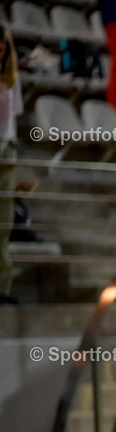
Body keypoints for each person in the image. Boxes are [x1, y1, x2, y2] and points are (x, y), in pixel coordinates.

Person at [0, 23, 22, 306]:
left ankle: (3, 289)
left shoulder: (11, 78)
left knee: (3, 225)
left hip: (5, 150)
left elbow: (11, 122)